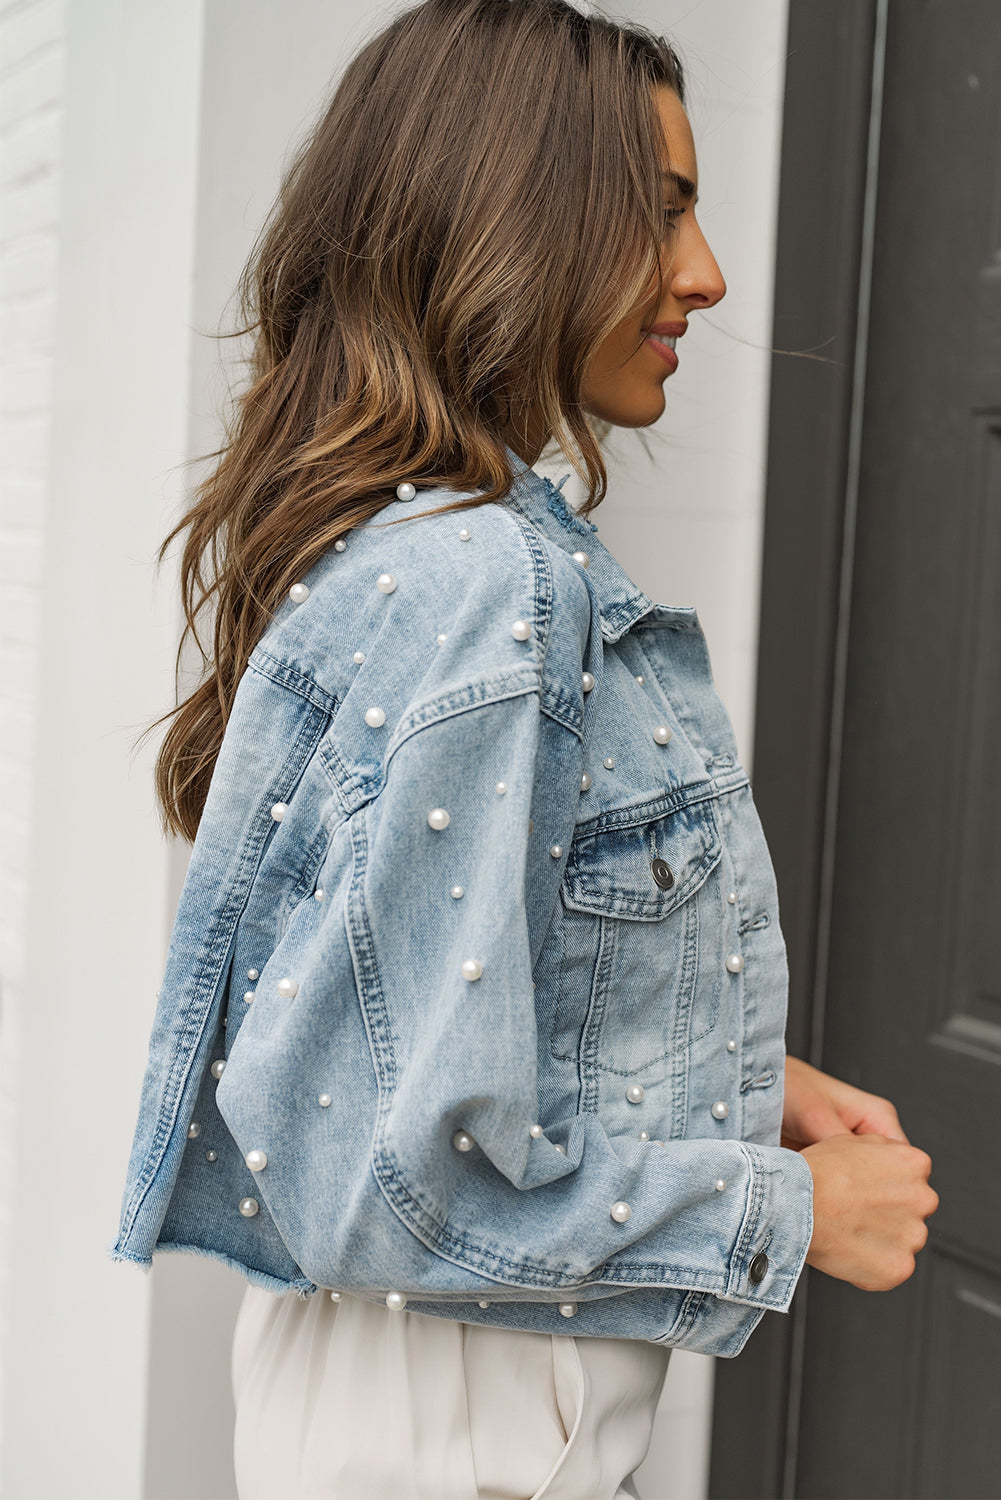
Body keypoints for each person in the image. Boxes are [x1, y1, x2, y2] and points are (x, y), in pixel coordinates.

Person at [110, 1, 939, 1495]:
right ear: (515, 224)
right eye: (662, 217)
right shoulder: (486, 583)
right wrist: (786, 1211)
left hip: (441, 1392)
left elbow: (435, 1016)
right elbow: (387, 1178)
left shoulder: (431, 550)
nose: (706, 275)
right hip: (464, 1420)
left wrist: (735, 1076)